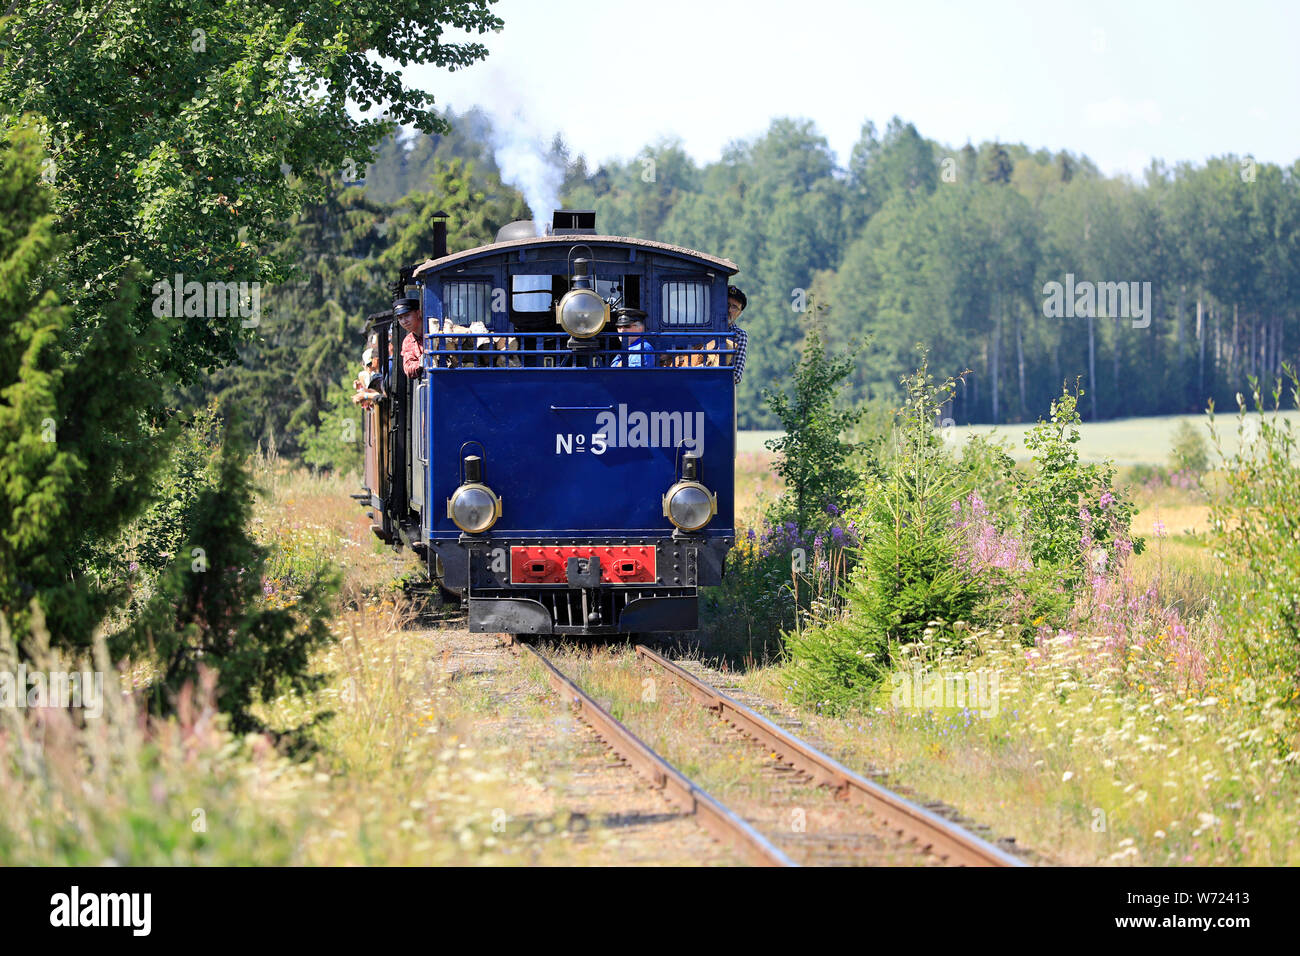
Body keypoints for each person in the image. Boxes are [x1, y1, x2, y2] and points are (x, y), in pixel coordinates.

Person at [394, 298, 424, 378]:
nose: (404, 321)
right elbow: (408, 368)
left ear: (418, 313)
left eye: (407, 315)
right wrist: (421, 363)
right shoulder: (408, 341)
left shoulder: (434, 331)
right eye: (400, 318)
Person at [725, 284, 748, 385]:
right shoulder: (704, 327)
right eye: (727, 304)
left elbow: (737, 376)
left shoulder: (739, 335)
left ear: (739, 313)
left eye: (734, 307)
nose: (729, 310)